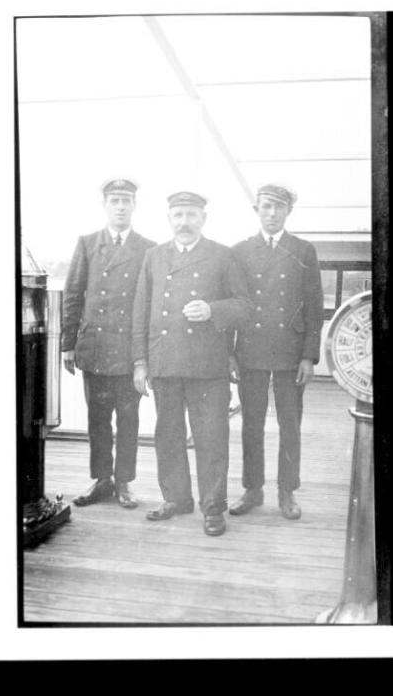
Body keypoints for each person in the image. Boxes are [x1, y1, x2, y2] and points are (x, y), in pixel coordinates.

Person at [132, 191, 251, 537]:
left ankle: (213, 508)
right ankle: (176, 499)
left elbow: (244, 306)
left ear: (203, 218)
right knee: (167, 435)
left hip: (207, 366)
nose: (184, 222)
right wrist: (141, 362)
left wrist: (213, 310)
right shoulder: (154, 256)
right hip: (165, 361)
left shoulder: (222, 255)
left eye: (191, 215)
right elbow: (141, 313)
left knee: (211, 437)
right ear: (169, 219)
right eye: (178, 215)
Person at [228, 183, 324, 520]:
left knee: (290, 425)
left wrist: (309, 357)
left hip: (290, 353)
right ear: (256, 210)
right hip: (251, 351)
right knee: (250, 424)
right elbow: (232, 306)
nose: (271, 213)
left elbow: (314, 307)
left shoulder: (303, 250)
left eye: (278, 207)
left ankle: (287, 492)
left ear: (288, 212)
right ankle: (253, 490)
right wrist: (229, 353)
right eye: (266, 206)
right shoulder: (239, 251)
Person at [61, 179, 155, 509]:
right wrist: (67, 343)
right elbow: (73, 295)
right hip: (96, 347)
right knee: (97, 418)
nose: (120, 206)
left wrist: (146, 356)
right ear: (105, 205)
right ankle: (102, 480)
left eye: (126, 200)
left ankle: (124, 483)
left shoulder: (148, 248)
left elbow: (151, 303)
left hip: (129, 351)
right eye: (115, 200)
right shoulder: (87, 244)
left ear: (134, 206)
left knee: (128, 419)